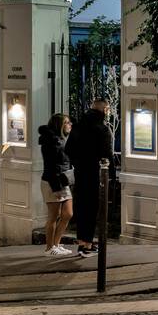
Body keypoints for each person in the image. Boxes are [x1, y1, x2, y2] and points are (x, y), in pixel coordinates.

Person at [66, 98, 115, 257]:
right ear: (104, 110)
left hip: (81, 172)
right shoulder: (101, 129)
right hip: (95, 174)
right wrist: (110, 174)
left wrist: (78, 163)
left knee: (81, 207)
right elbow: (107, 155)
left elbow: (68, 150)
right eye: (107, 110)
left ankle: (82, 243)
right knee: (92, 209)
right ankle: (87, 244)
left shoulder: (78, 127)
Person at [38, 113, 76, 257]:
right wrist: (56, 187)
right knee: (54, 216)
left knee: (68, 214)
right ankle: (49, 248)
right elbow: (51, 166)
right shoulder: (51, 142)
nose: (70, 125)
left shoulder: (63, 140)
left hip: (63, 180)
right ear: (59, 125)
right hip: (52, 182)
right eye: (67, 122)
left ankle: (56, 244)